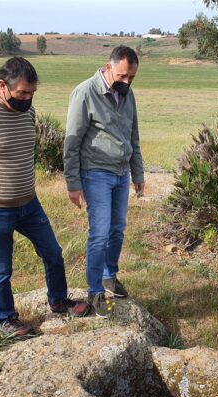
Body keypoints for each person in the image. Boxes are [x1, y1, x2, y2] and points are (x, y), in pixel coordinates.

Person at [0, 57, 89, 339]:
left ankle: (59, 301)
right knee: (2, 267)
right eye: (22, 93)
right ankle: (7, 320)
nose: (27, 99)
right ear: (3, 85)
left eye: (32, 93)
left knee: (52, 252)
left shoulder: (28, 111)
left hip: (28, 203)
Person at [63, 45, 145, 318]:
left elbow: (133, 135)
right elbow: (71, 142)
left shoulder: (128, 94)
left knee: (117, 229)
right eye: (121, 76)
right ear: (108, 67)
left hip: (121, 173)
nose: (126, 82)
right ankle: (95, 291)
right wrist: (73, 182)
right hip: (96, 172)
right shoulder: (85, 92)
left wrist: (138, 173)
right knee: (99, 233)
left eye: (131, 78)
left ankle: (110, 276)